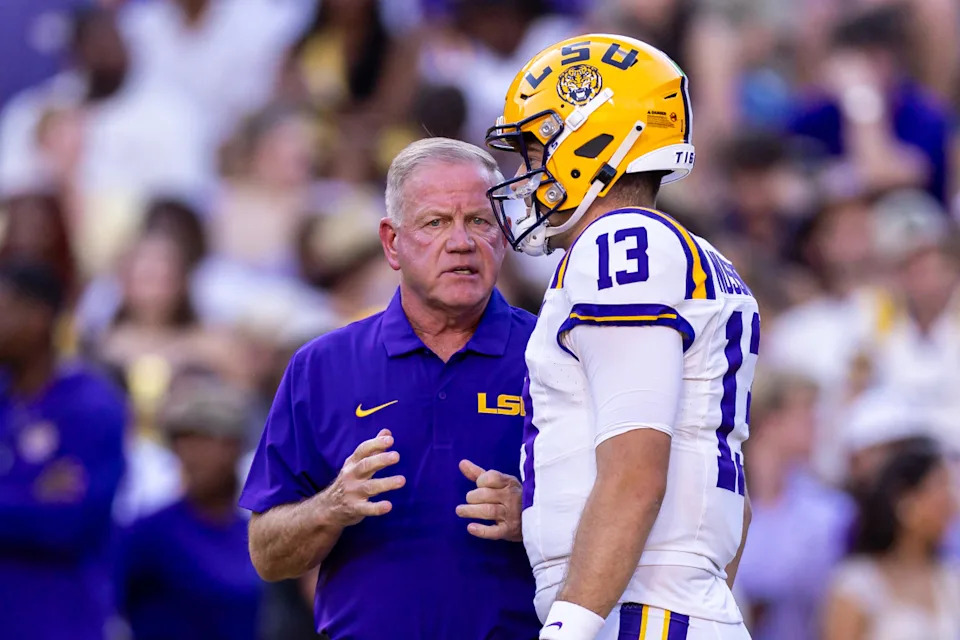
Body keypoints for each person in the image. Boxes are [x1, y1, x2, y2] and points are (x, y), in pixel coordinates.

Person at [485, 34, 757, 639]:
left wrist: (569, 628)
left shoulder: (618, 246)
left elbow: (636, 472)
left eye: (534, 152)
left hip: (634, 613)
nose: (524, 175)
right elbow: (731, 494)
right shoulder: (690, 253)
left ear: (592, 139)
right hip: (662, 607)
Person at [238, 137, 541, 639]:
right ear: (391, 242)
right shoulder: (321, 366)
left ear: (504, 235)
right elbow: (266, 555)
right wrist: (331, 505)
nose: (462, 241)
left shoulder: (554, 356)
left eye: (480, 221)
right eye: (435, 222)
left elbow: (628, 515)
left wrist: (537, 516)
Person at [0, 259, 127, 639]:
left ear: (38, 317)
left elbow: (67, 523)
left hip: (58, 619)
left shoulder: (92, 406)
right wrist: (29, 495)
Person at [116, 374, 263, 640]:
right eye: (181, 440)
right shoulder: (150, 532)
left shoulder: (258, 533)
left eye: (206, 439)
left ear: (236, 446)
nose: (191, 454)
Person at [822, 439, 960, 640]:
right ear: (905, 501)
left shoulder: (950, 579)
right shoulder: (857, 584)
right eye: (939, 488)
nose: (949, 504)